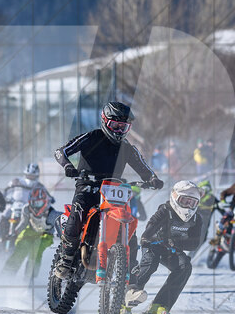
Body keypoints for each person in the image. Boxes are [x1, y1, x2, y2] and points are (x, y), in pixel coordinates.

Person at [51, 101, 162, 279]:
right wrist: (67, 166)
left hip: (112, 192)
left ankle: (130, 269)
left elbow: (144, 167)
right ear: (104, 121)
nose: (119, 131)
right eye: (115, 126)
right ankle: (66, 258)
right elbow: (60, 152)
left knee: (128, 224)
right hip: (87, 187)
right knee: (78, 214)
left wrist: (152, 179)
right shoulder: (91, 137)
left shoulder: (127, 148)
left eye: (123, 127)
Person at [124, 181, 204, 314]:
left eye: (192, 203)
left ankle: (159, 305)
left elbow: (194, 243)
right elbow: (151, 225)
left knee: (184, 267)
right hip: (153, 244)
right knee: (150, 264)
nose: (188, 206)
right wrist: (147, 238)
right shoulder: (166, 210)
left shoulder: (196, 219)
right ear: (175, 197)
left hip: (172, 249)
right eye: (185, 201)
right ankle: (125, 298)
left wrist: (175, 243)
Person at [2, 186, 57, 283]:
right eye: (33, 203)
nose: (35, 206)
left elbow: (63, 221)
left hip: (45, 235)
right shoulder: (26, 209)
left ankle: (30, 278)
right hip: (30, 231)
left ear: (44, 202)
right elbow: (23, 223)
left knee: (36, 252)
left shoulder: (52, 214)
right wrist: (15, 232)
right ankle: (6, 274)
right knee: (21, 247)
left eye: (38, 203)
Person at [0, 163, 49, 245]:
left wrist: (50, 200)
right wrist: (3, 199)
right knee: (1, 219)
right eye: (29, 175)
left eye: (32, 176)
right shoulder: (16, 181)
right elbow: (5, 191)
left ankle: (34, 243)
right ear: (25, 174)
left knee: (37, 223)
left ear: (37, 176)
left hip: (30, 208)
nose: (30, 178)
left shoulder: (39, 186)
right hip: (13, 205)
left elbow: (47, 196)